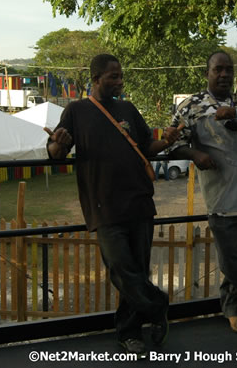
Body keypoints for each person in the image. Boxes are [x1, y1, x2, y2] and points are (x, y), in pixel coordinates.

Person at [45, 54, 180, 358]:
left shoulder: (128, 109)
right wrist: (59, 141)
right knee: (120, 268)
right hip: (103, 205)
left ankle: (131, 333)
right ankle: (158, 307)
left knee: (138, 270)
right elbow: (56, 152)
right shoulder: (76, 111)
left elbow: (146, 145)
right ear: (95, 78)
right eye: (113, 77)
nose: (120, 81)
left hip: (139, 201)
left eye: (120, 76)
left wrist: (168, 140)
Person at [169, 50, 237, 334]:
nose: (224, 75)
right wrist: (195, 154)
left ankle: (233, 307)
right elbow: (174, 143)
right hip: (222, 199)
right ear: (207, 73)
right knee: (233, 259)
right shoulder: (191, 106)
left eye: (228, 70)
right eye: (218, 69)